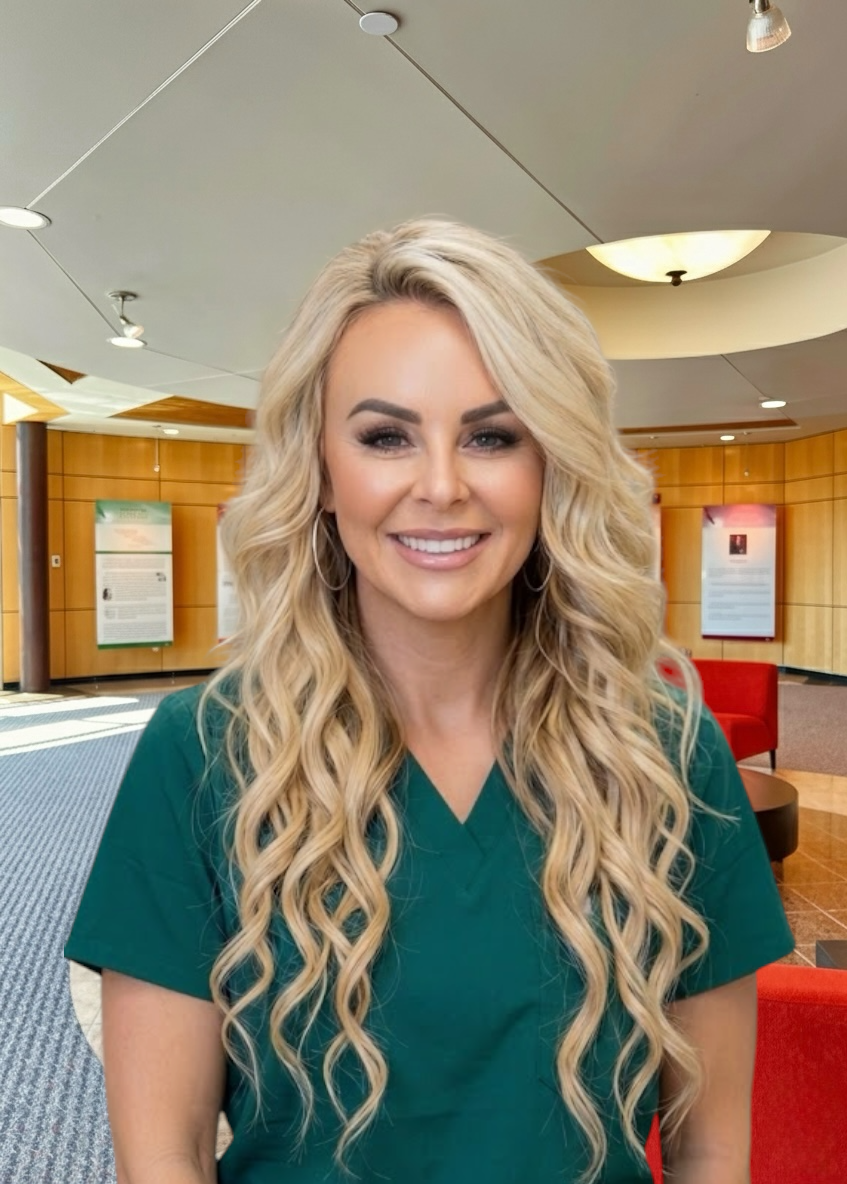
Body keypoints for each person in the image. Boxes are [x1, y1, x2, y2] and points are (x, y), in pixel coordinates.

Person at [65, 219, 793, 1184]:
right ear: (322, 471)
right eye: (386, 437)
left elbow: (710, 1149)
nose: (442, 486)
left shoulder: (666, 752)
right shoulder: (204, 750)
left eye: (492, 435)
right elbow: (164, 1158)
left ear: (550, 465)